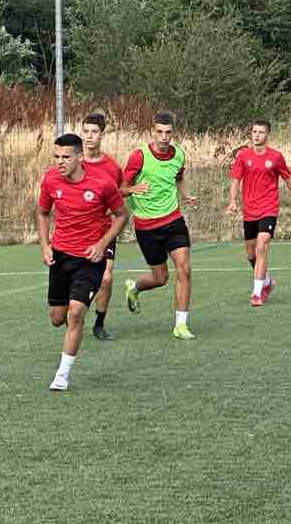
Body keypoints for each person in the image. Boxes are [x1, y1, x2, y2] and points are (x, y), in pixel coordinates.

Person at [36, 134, 126, 391]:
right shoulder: (50, 180)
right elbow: (42, 212)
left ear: (78, 156)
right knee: (57, 318)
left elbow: (121, 215)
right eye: (56, 157)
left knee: (75, 313)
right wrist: (45, 245)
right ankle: (72, 331)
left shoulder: (102, 183)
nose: (60, 162)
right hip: (60, 257)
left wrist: (102, 244)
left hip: (89, 259)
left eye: (66, 157)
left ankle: (61, 376)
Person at [121, 110, 198, 340]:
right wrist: (132, 189)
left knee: (184, 268)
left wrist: (186, 195)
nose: (164, 137)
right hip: (146, 227)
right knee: (160, 278)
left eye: (168, 132)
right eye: (160, 132)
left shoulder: (179, 155)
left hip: (173, 220)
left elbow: (179, 177)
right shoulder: (139, 157)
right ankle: (135, 288)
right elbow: (120, 188)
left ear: (173, 133)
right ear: (152, 132)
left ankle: (181, 325)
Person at [227, 120, 291, 307]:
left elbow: (289, 181)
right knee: (251, 255)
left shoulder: (276, 157)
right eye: (254, 132)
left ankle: (257, 293)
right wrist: (232, 201)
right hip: (249, 210)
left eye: (261, 132)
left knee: (262, 246)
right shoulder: (243, 156)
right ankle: (267, 281)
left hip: (268, 208)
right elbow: (235, 179)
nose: (257, 135)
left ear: (267, 135)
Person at [79, 111, 124, 340]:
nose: (89, 136)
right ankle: (75, 314)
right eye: (86, 131)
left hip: (103, 230)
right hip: (77, 230)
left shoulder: (112, 168)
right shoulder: (74, 163)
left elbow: (118, 197)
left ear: (102, 135)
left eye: (94, 132)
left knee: (106, 277)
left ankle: (99, 323)